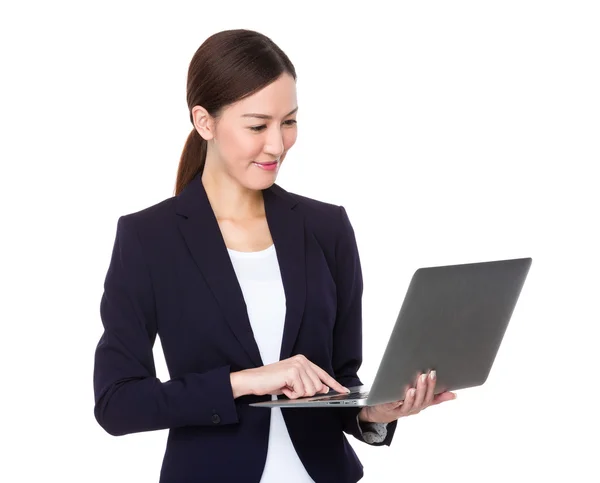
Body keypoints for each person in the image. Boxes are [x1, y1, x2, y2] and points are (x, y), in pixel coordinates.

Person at [93, 29, 456, 483]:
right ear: (205, 122)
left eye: (289, 122)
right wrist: (245, 381)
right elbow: (117, 404)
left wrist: (374, 411)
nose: (278, 144)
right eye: (257, 125)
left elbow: (340, 381)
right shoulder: (148, 239)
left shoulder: (327, 228)